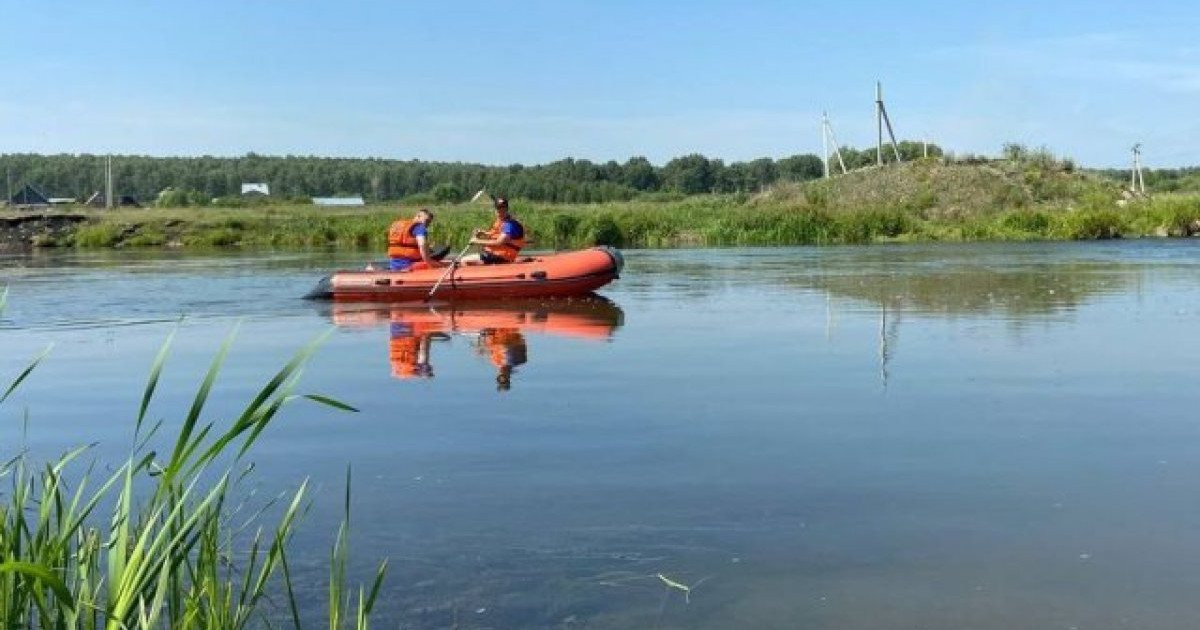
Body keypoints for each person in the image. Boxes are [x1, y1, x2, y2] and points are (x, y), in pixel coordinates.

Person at [461, 197, 526, 265]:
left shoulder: (510, 225)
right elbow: (495, 234)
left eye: (503, 207)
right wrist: (483, 233)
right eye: (498, 208)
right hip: (493, 254)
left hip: (501, 256)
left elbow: (499, 242)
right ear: (495, 209)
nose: (501, 210)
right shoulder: (501, 222)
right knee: (471, 258)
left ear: (507, 209)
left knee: (464, 260)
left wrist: (476, 241)